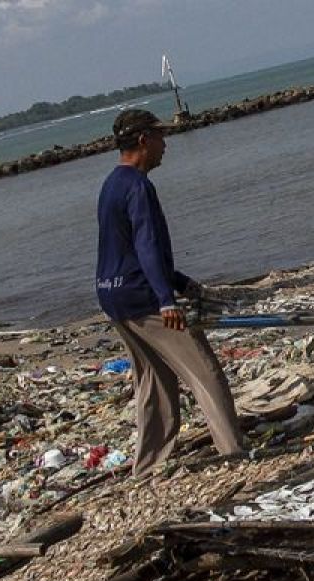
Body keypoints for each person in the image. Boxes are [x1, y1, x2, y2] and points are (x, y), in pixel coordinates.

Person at [96, 108, 244, 475]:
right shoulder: (139, 186)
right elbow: (146, 247)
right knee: (204, 372)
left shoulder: (111, 184)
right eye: (161, 137)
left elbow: (126, 249)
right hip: (142, 298)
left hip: (111, 295)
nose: (166, 144)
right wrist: (165, 300)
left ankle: (146, 464)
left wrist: (181, 282)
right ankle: (233, 452)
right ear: (143, 140)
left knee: (154, 380)